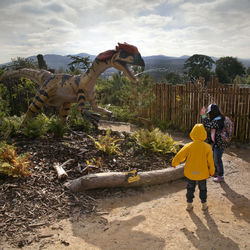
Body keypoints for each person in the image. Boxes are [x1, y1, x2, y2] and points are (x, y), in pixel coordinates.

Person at [172, 124, 215, 211]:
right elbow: (210, 161)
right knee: (203, 189)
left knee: (190, 188)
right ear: (204, 134)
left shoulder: (189, 145)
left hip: (190, 172)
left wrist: (174, 163)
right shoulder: (207, 147)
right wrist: (212, 171)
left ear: (192, 133)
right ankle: (204, 205)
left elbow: (179, 155)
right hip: (202, 173)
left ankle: (189, 205)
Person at [200, 104, 225, 183]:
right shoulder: (218, 119)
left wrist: (203, 115)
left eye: (210, 113)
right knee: (214, 158)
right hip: (216, 142)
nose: (209, 114)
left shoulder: (219, 120)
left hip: (220, 144)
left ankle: (220, 176)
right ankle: (216, 172)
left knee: (217, 159)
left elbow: (207, 125)